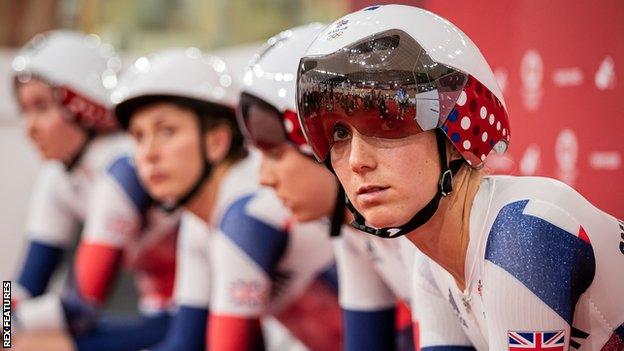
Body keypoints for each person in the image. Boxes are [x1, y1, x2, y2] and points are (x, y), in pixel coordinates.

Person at [296, 5, 624, 350]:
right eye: (338, 135)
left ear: (455, 139)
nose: (357, 161)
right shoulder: (430, 262)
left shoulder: (523, 230)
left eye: (387, 124)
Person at [111, 47, 341, 351]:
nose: (148, 154)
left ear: (217, 141)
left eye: (166, 131)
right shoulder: (200, 218)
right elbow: (185, 341)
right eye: (138, 136)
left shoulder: (242, 214)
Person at [237, 23, 417, 351]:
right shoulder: (353, 228)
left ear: (322, 141)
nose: (263, 178)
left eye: (275, 154)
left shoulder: (412, 221)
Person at [12, 30, 179, 351]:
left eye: (42, 107)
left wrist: (8, 329)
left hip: (202, 320)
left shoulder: (122, 164)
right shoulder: (59, 174)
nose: (29, 128)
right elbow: (23, 284)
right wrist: (6, 326)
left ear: (85, 105)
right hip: (165, 316)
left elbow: (83, 306)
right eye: (25, 110)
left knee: (36, 342)